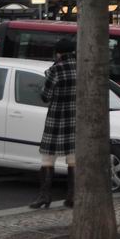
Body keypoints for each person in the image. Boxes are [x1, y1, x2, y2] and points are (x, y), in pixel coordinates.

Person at [31, 38, 76, 209]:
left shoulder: (56, 69)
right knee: (73, 158)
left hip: (57, 118)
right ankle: (72, 196)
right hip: (76, 117)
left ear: (58, 53)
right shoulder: (82, 68)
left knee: (48, 159)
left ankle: (44, 196)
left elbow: (46, 96)